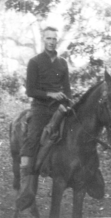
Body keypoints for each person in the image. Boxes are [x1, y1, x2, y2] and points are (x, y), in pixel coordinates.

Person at [20, 26, 72, 176]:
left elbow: (67, 89)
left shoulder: (62, 63)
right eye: (48, 38)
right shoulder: (34, 62)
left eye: (54, 38)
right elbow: (30, 91)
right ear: (44, 39)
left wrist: (68, 102)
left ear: (57, 40)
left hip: (58, 108)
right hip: (40, 107)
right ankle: (26, 174)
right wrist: (51, 94)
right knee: (33, 137)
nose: (51, 41)